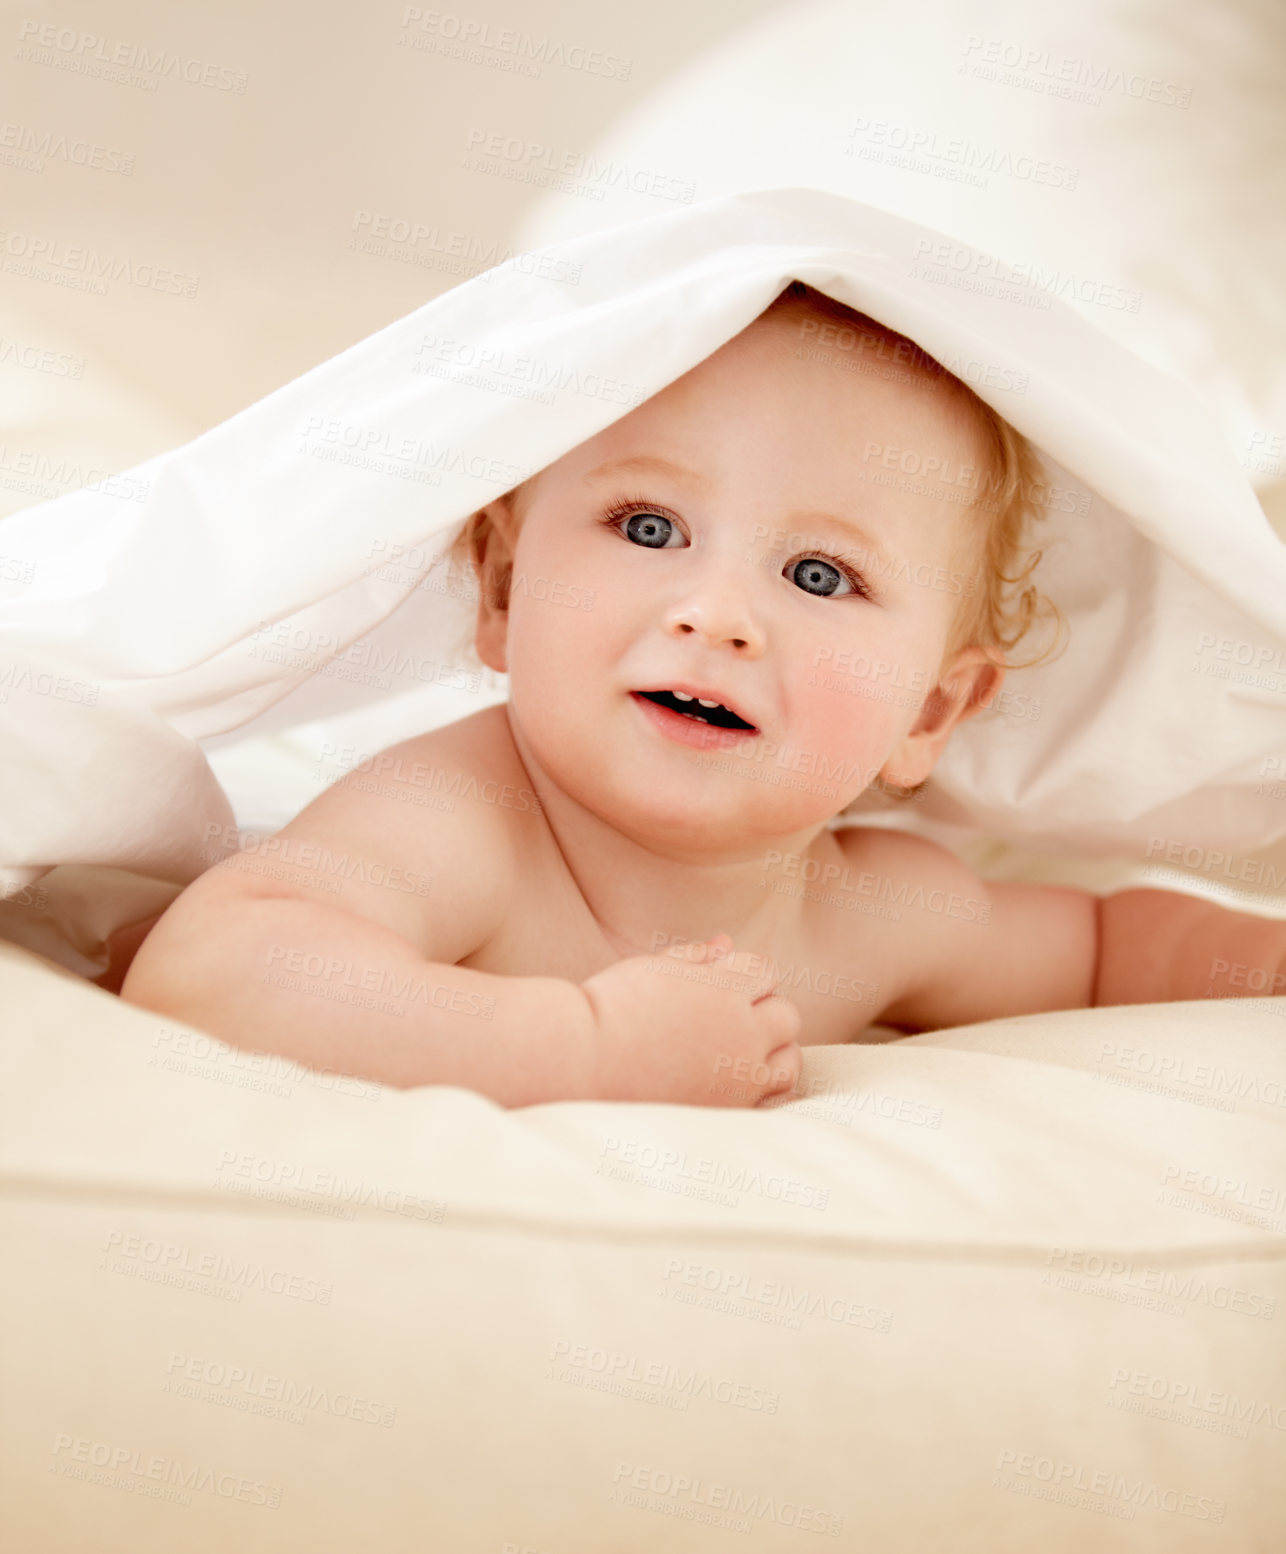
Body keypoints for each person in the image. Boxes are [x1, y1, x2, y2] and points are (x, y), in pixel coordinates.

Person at [117, 282, 1286, 1107]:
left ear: (928, 714)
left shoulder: (872, 911)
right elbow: (213, 971)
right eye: (649, 526)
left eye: (818, 575)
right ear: (504, 591)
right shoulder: (460, 821)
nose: (715, 613)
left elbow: (1106, 949)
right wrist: (579, 1048)